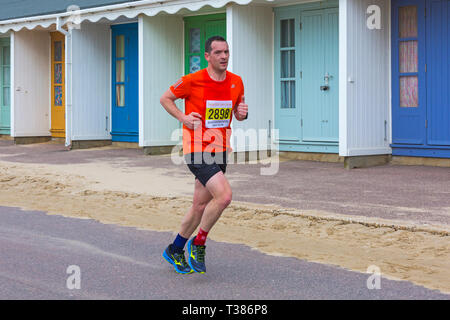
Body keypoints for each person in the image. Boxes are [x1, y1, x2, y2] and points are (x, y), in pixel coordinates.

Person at [159, 36, 248, 274]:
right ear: (207, 56)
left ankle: (175, 249)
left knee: (199, 206)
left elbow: (237, 113)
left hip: (220, 149)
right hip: (197, 149)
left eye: (226, 52)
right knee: (225, 196)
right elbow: (165, 98)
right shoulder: (192, 80)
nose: (224, 57)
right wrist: (183, 117)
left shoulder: (236, 82)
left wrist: (242, 113)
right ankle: (199, 243)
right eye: (218, 52)